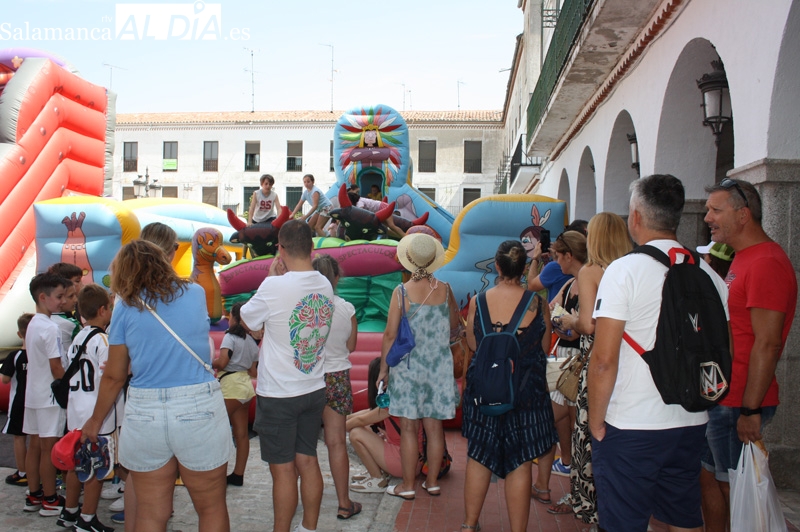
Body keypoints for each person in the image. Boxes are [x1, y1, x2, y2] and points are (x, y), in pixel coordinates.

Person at [589, 174, 728, 532]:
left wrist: (596, 421)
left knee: (623, 521)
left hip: (631, 424)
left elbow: (603, 360)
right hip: (691, 419)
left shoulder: (624, 270)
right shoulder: (708, 274)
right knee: (682, 516)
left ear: (635, 216)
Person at [81, 240, 232, 532]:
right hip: (198, 404)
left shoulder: (124, 307)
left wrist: (95, 421)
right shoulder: (195, 293)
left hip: (144, 410)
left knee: (151, 513)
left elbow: (114, 376)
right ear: (163, 262)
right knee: (211, 507)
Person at [700, 178, 797, 532]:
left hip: (738, 402)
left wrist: (751, 410)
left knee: (735, 490)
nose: (707, 217)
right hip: (723, 397)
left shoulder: (767, 262)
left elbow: (767, 344)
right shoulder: (743, 258)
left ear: (743, 215)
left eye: (715, 210)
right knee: (711, 480)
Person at [240, 220, 334, 532]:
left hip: (279, 394)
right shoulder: (325, 284)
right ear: (312, 247)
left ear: (280, 249)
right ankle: (308, 528)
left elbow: (248, 319)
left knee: (282, 471)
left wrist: (270, 278)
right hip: (313, 387)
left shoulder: (273, 286)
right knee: (308, 460)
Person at [461, 240, 556, 532]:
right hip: (526, 391)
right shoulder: (537, 303)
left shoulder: (478, 302)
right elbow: (543, 347)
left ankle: (469, 525)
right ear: (524, 268)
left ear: (497, 267)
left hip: (485, 388)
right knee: (521, 460)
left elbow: (473, 344)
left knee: (479, 454)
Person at [555, 213, 632, 527]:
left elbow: (588, 324)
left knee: (589, 438)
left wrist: (569, 320)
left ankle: (591, 510)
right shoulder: (629, 269)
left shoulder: (591, 271)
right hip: (629, 367)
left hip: (597, 362)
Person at [377, 233, 459, 500]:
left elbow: (390, 335)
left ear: (409, 261)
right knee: (434, 428)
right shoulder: (446, 289)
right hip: (438, 368)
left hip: (408, 369)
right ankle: (432, 482)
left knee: (410, 428)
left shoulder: (401, 293)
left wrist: (384, 370)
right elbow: (454, 326)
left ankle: (408, 485)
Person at [533, 231, 587, 506]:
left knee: (564, 419)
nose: (555, 262)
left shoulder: (586, 282)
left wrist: (565, 323)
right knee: (557, 419)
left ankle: (570, 481)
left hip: (575, 360)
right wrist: (564, 322)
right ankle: (563, 468)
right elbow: (553, 314)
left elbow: (576, 327)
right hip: (563, 357)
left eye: (557, 256)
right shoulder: (570, 283)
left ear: (569, 255)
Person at [62, 284, 121, 532]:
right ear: (103, 310)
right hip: (98, 413)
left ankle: (70, 511)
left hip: (76, 408)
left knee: (77, 463)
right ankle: (87, 519)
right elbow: (110, 377)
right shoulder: (103, 340)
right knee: (97, 467)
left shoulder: (78, 338)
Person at [311, 254, 361, 520]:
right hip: (337, 377)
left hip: (309, 379)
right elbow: (351, 347)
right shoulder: (347, 309)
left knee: (304, 444)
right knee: (337, 443)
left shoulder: (305, 307)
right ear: (337, 278)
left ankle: (305, 500)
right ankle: (344, 503)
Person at [23, 273, 70, 516]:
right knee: (48, 449)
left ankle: (34, 494)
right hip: (49, 396)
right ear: (43, 297)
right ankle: (50, 498)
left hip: (33, 393)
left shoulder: (33, 323)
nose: (63, 301)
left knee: (35, 446)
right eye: (59, 296)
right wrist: (67, 390)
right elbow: (56, 366)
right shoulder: (51, 327)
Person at [346, 358, 423, 492]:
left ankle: (377, 479)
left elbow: (360, 421)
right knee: (368, 428)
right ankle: (377, 470)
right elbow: (367, 413)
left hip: (403, 462)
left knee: (356, 433)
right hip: (413, 459)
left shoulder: (391, 402)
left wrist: (334, 430)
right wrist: (340, 420)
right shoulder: (402, 394)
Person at [212, 302, 259, 487]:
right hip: (246, 388)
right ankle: (238, 475)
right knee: (242, 434)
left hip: (231, 386)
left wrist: (209, 362)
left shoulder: (229, 337)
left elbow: (223, 362)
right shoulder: (252, 342)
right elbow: (253, 371)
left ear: (235, 318)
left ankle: (217, 475)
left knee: (216, 430)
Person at [1, 313, 34, 487]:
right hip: (37, 400)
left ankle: (23, 472)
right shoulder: (40, 355)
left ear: (19, 334)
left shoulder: (15, 356)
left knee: (19, 438)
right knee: (37, 438)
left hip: (19, 402)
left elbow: (5, 380)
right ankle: (37, 470)